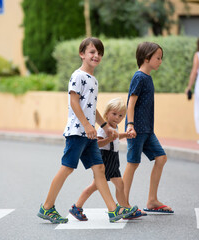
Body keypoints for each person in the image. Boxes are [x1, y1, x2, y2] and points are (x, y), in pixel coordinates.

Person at [37, 37, 137, 224]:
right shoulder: (78, 76)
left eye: (99, 53)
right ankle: (47, 207)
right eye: (92, 52)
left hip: (89, 134)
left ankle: (113, 210)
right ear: (82, 54)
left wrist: (105, 126)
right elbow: (74, 103)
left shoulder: (93, 80)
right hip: (78, 132)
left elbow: (91, 107)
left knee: (99, 168)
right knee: (67, 168)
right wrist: (87, 126)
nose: (96, 55)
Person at [69, 98, 145, 221]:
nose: (117, 118)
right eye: (114, 114)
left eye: (121, 115)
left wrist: (125, 135)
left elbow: (115, 137)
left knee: (120, 184)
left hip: (114, 159)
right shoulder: (104, 129)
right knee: (95, 186)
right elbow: (97, 143)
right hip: (105, 157)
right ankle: (77, 207)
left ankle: (124, 208)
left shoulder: (114, 127)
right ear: (106, 114)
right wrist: (109, 139)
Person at [123, 42, 174, 214]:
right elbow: (131, 103)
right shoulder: (139, 77)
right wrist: (130, 125)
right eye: (158, 58)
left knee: (161, 158)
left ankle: (152, 200)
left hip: (147, 130)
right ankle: (124, 205)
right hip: (136, 129)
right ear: (146, 58)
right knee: (133, 163)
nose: (160, 61)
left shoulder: (147, 77)